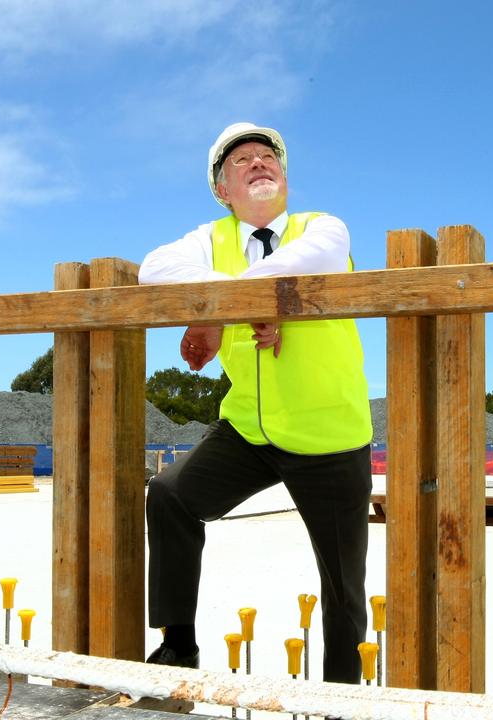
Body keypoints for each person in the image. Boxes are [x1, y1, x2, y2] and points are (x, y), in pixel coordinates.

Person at [136, 122, 372, 685]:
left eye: (269, 157)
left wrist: (221, 304)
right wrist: (247, 302)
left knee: (343, 581)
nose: (259, 163)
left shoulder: (323, 228)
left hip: (329, 432)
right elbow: (153, 271)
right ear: (222, 189)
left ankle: (340, 693)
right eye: (242, 160)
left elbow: (314, 257)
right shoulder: (206, 239)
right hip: (248, 430)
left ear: (284, 176)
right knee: (169, 496)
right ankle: (177, 644)